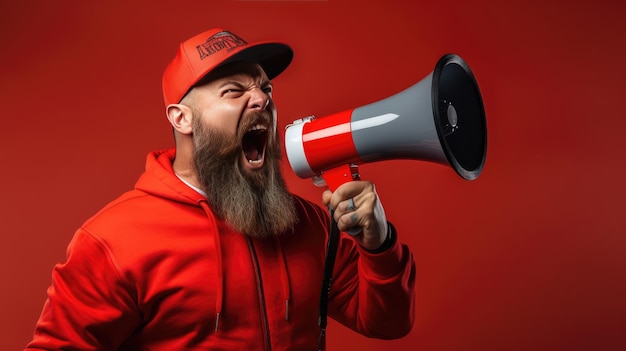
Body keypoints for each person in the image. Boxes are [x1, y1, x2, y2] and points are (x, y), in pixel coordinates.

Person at [25, 28, 416, 350]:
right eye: (233, 91)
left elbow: (387, 322)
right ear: (182, 118)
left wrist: (379, 245)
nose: (262, 99)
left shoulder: (309, 223)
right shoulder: (113, 241)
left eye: (266, 88)